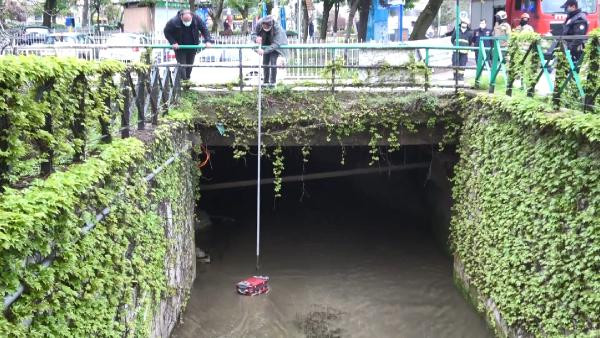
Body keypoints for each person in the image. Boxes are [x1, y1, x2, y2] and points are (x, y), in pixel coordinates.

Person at [164, 9, 213, 80]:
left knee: (189, 67)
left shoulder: (197, 19)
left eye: (188, 21)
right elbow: (167, 32)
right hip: (180, 48)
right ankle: (183, 81)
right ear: (181, 17)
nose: (187, 22)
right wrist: (173, 42)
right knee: (182, 66)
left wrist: (208, 41)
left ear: (192, 17)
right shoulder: (174, 21)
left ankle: (186, 82)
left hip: (192, 47)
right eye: (185, 21)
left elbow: (204, 29)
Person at [251, 15, 288, 85]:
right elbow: (253, 34)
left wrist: (264, 51)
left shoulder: (277, 28)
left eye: (267, 27)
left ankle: (272, 83)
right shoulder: (259, 23)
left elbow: (276, 43)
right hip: (265, 44)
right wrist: (256, 38)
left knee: (273, 62)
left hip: (275, 45)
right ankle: (265, 82)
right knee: (265, 63)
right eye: (264, 26)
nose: (265, 28)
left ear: (271, 25)